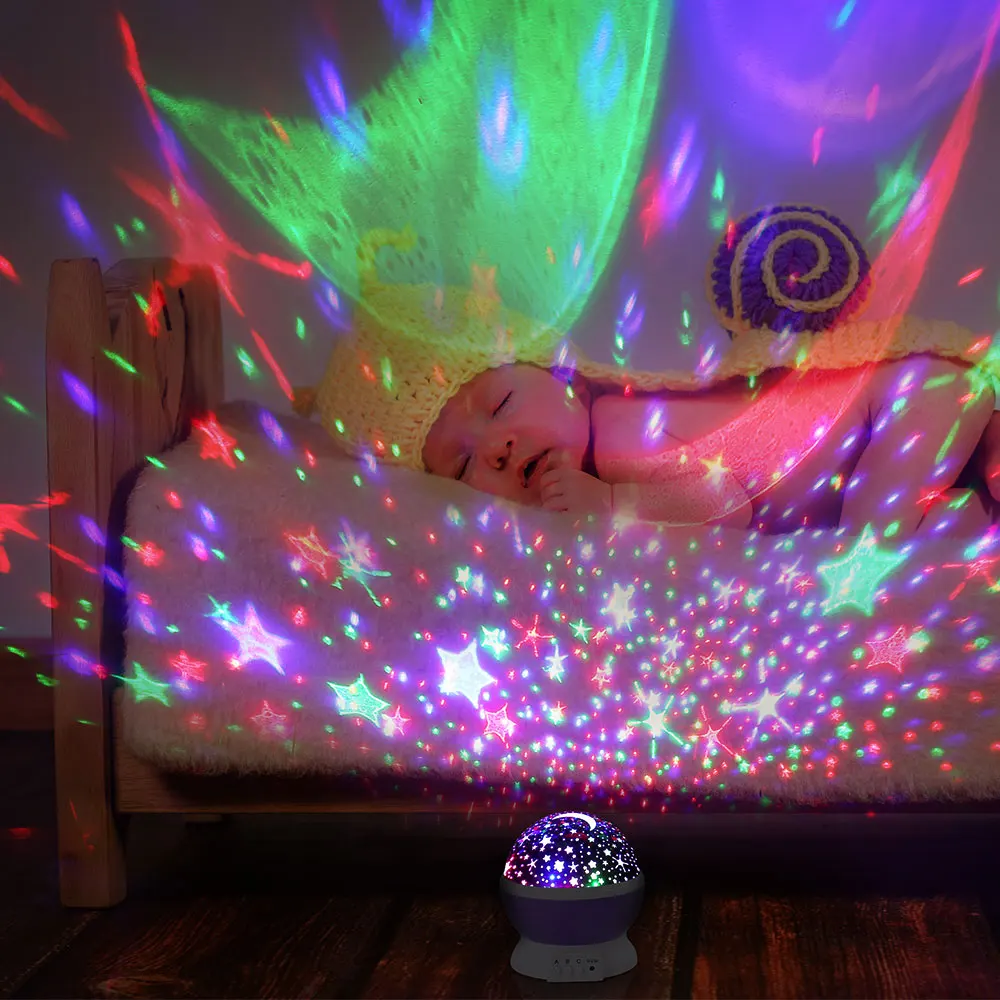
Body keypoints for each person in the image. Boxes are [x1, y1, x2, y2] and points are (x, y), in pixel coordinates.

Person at [295, 207, 1000, 538]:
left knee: (868, 546)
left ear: (559, 375)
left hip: (902, 397)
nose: (498, 447)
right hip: (910, 405)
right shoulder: (598, 441)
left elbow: (727, 501)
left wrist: (613, 505)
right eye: (461, 464)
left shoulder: (619, 431)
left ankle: (974, 494)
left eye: (500, 403)